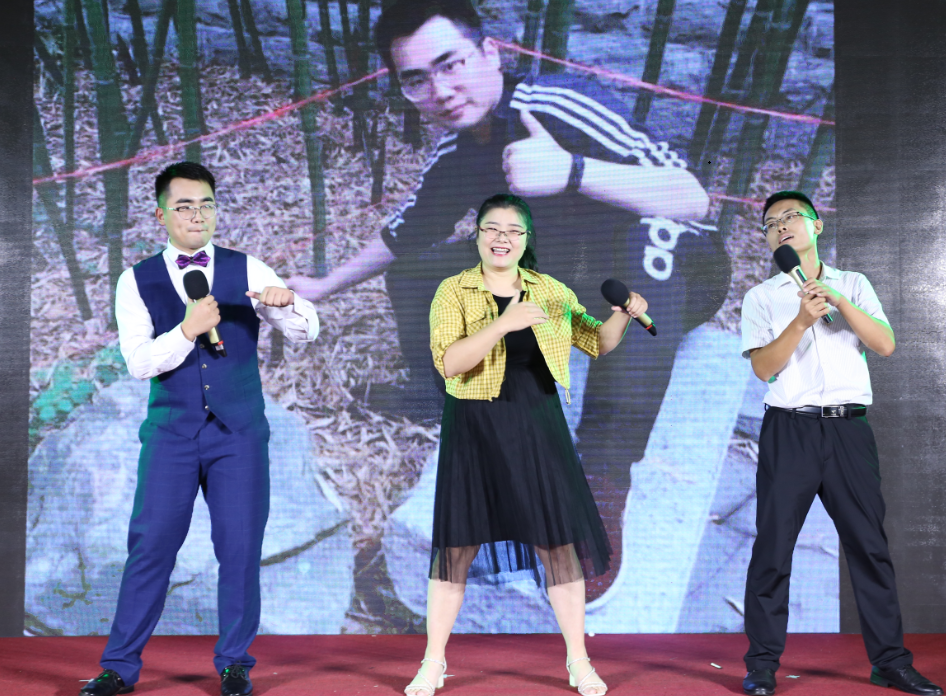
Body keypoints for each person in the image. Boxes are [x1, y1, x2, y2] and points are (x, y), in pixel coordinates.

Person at [290, 0, 731, 599]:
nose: (441, 90)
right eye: (416, 79)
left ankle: (602, 478)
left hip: (671, 272)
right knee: (422, 268)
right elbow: (403, 235)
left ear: (490, 53)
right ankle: (434, 390)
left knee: (647, 236)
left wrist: (571, 170)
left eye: (451, 64)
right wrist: (323, 287)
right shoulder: (457, 152)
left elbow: (692, 198)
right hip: (577, 283)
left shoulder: (558, 106)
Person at [79, 162, 320, 696]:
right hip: (172, 434)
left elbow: (305, 332)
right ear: (161, 214)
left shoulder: (247, 266)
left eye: (206, 204)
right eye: (184, 206)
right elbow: (139, 362)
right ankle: (119, 667)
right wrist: (186, 331)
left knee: (239, 549)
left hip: (239, 434)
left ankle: (234, 664)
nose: (197, 215)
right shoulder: (135, 280)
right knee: (151, 547)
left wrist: (289, 305)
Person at [403, 193, 645, 696]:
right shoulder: (454, 291)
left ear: (527, 239)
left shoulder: (549, 291)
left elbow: (596, 342)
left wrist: (623, 314)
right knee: (456, 548)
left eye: (514, 231)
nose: (502, 239)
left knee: (558, 545)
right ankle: (433, 663)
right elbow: (448, 363)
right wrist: (502, 324)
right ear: (477, 235)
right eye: (492, 228)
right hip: (475, 427)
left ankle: (579, 662)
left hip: (537, 427)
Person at [738, 191, 942, 696]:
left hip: (849, 430)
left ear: (817, 225)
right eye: (771, 223)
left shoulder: (853, 284)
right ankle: (761, 666)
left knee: (869, 547)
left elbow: (885, 344)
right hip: (790, 429)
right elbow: (764, 368)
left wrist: (838, 302)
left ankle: (889, 663)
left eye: (791, 217)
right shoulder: (761, 297)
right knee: (772, 549)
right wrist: (801, 320)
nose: (781, 227)